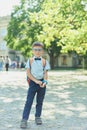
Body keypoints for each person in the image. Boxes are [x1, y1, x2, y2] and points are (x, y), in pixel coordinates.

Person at [20, 41, 50, 129]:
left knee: (40, 102)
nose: (37, 51)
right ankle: (24, 120)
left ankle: (38, 117)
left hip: (42, 84)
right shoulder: (30, 61)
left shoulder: (44, 61)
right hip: (33, 83)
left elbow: (45, 73)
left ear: (42, 51)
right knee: (29, 101)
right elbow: (28, 73)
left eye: (39, 50)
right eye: (35, 50)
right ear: (32, 51)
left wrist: (45, 81)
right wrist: (36, 81)